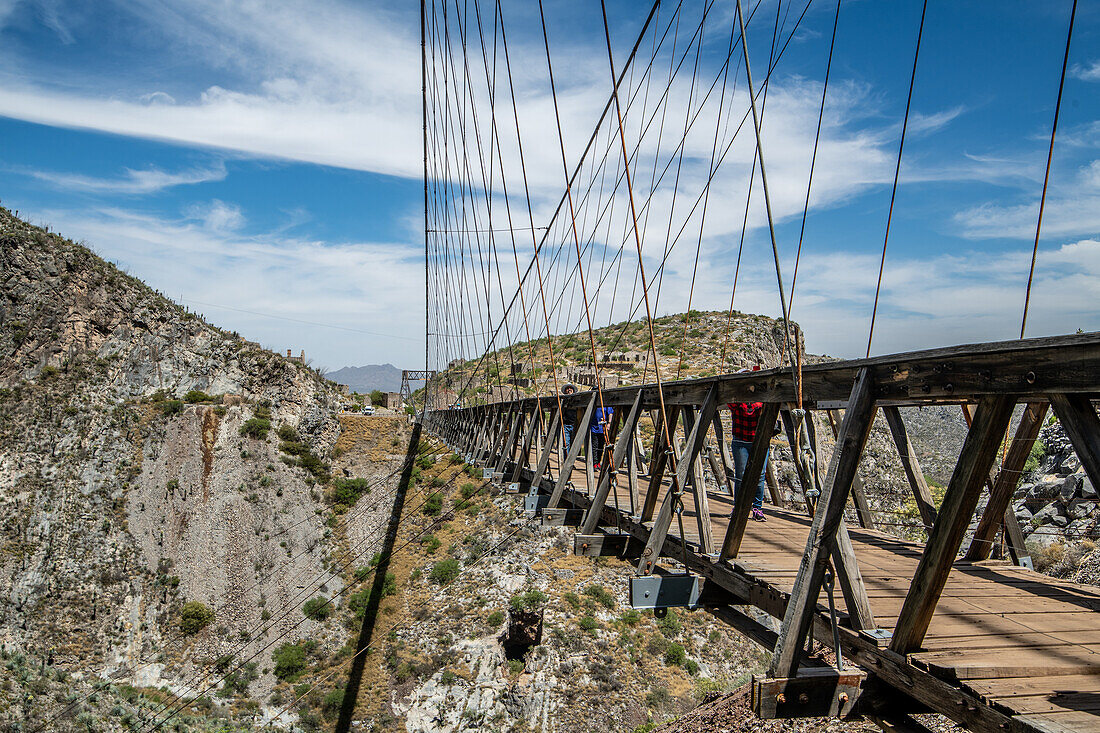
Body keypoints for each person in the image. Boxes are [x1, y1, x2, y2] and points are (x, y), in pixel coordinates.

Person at [729, 367, 770, 522]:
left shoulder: (738, 401)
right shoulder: (758, 401)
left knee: (753, 476)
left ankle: (750, 508)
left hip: (749, 441)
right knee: (748, 476)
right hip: (747, 441)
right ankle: (748, 507)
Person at [590, 403, 614, 471]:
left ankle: (598, 462)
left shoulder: (606, 403)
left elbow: (610, 413)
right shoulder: (595, 401)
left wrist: (609, 423)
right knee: (595, 446)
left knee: (601, 446)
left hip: (603, 428)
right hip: (594, 427)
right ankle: (594, 463)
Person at [560, 383, 578, 451]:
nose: (569, 390)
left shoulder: (577, 400)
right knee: (566, 443)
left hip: (574, 424)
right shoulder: (563, 400)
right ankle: (566, 458)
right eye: (567, 389)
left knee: (574, 443)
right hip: (565, 424)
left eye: (571, 388)